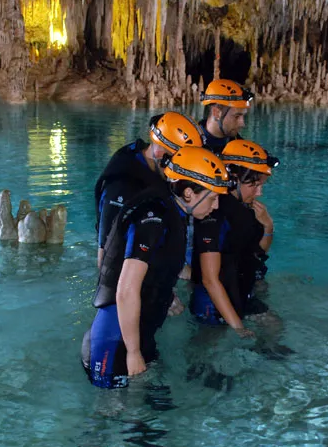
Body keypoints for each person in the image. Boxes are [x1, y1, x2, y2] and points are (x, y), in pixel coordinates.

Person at [82, 147, 231, 389]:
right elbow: (126, 290)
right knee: (113, 419)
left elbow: (159, 262)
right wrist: (132, 352)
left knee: (154, 413)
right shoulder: (153, 218)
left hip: (139, 332)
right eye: (213, 198)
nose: (215, 206)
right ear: (189, 193)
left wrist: (168, 294)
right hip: (115, 338)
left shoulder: (173, 211)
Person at [190, 139, 279, 334]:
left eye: (262, 185)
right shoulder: (212, 212)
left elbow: (257, 254)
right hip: (212, 303)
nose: (260, 192)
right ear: (234, 179)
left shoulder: (247, 211)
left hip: (240, 290)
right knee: (209, 350)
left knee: (275, 328)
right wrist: (238, 327)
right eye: (255, 185)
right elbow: (209, 279)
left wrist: (268, 225)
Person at [93, 111, 203, 269]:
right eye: (181, 162)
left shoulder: (159, 171)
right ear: (160, 153)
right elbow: (106, 261)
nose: (184, 171)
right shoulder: (122, 186)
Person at [199, 79, 253, 154]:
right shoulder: (191, 146)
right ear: (216, 113)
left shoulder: (240, 147)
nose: (242, 124)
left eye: (243, 116)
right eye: (236, 116)